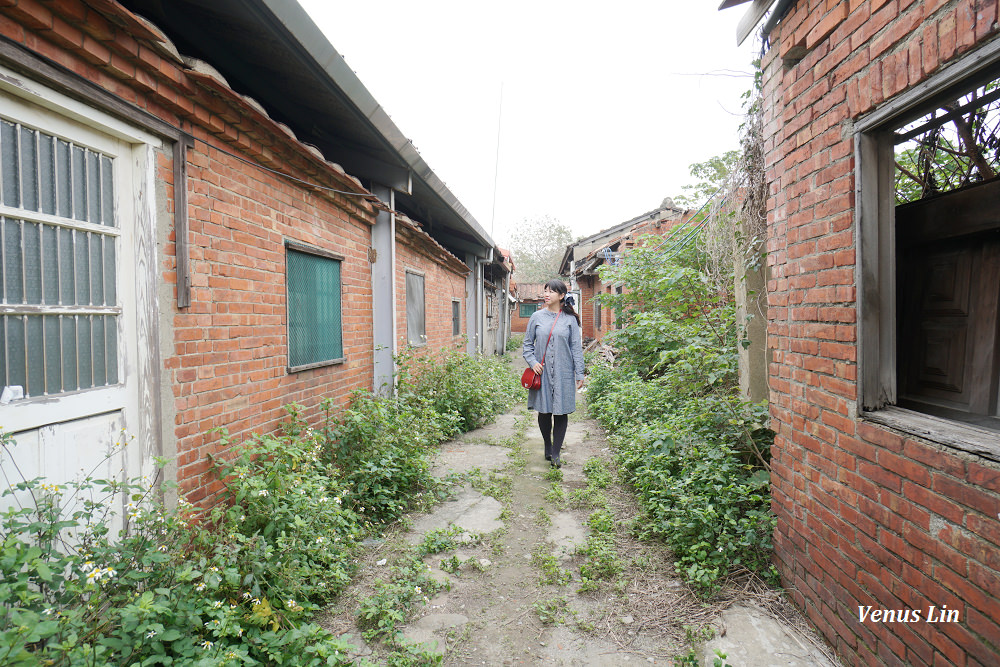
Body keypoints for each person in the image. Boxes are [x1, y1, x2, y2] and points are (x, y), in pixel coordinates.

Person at [522, 279, 585, 468]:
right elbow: (527, 345)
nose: (546, 294)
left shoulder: (570, 320)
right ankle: (547, 445)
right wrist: (532, 363)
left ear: (561, 295)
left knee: (561, 411)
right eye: (545, 291)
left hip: (563, 372)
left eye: (551, 291)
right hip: (542, 374)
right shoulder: (536, 317)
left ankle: (556, 453)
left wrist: (579, 373)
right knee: (544, 411)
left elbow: (576, 348)